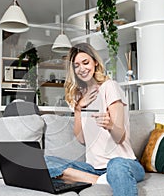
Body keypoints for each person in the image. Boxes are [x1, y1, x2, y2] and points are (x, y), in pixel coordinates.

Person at [45, 43, 145, 196]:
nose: (82, 69)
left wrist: (110, 125)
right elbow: (81, 139)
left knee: (115, 165)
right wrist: (78, 108)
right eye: (77, 65)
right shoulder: (78, 97)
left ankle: (106, 177)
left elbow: (120, 137)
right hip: (93, 168)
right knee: (45, 161)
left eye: (86, 62)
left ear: (95, 62)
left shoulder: (109, 87)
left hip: (124, 163)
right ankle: (99, 180)